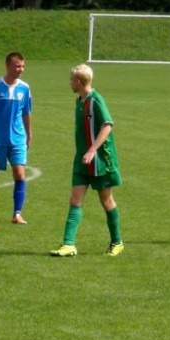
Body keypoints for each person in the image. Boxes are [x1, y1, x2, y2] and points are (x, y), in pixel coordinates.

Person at [51, 64, 124, 257]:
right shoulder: (80, 101)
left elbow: (107, 125)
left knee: (106, 200)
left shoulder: (96, 100)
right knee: (75, 199)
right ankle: (69, 244)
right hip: (82, 160)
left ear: (78, 82)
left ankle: (117, 242)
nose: (69, 83)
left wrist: (92, 150)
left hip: (100, 161)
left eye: (71, 80)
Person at [0, 51, 32, 224]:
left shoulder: (24, 88)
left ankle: (17, 214)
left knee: (20, 174)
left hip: (18, 139)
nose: (21, 69)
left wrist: (29, 133)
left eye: (23, 66)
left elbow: (26, 112)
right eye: (17, 66)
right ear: (8, 66)